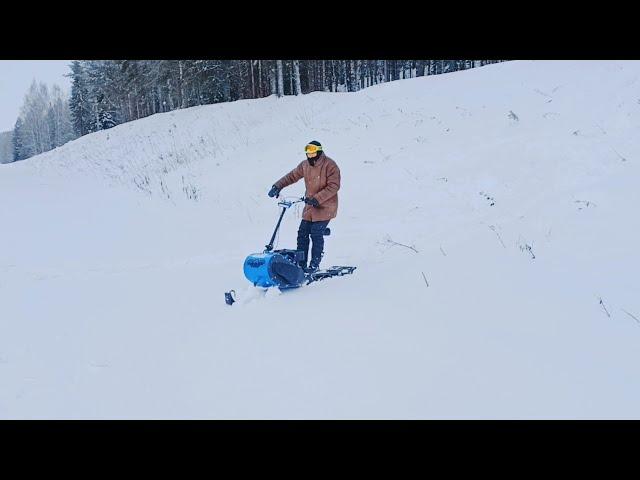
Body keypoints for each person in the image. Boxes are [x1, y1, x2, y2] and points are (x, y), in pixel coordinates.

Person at [268, 141, 341, 272]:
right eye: (308, 152)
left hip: (325, 206)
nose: (310, 155)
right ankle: (301, 265)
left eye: (313, 152)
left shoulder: (330, 165)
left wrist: (317, 199)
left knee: (316, 233)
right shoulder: (305, 165)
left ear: (319, 152)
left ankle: (314, 265)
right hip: (310, 207)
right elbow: (291, 176)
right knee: (302, 233)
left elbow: (334, 186)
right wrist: (277, 186)